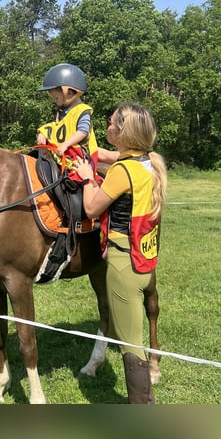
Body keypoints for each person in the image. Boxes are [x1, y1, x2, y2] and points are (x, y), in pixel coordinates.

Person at [73, 103, 167, 404]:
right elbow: (110, 156)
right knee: (134, 338)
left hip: (122, 262)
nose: (108, 127)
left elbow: (91, 208)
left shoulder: (120, 172)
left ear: (125, 132)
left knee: (131, 348)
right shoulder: (147, 163)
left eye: (112, 124)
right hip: (143, 261)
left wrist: (88, 176)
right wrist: (96, 154)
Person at [35, 63, 99, 180]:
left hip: (81, 162)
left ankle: (90, 195)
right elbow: (55, 128)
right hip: (65, 159)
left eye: (56, 98)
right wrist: (42, 133)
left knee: (83, 182)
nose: (55, 101)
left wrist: (65, 144)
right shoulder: (62, 113)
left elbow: (82, 131)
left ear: (69, 93)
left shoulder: (82, 110)